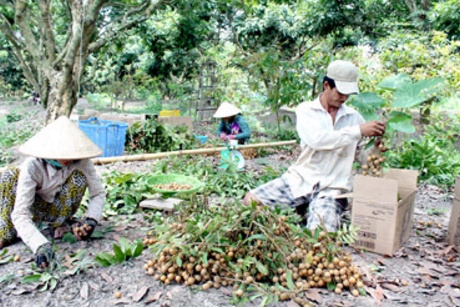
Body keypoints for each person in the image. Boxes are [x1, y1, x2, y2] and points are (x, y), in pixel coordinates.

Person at [243, 60, 386, 232]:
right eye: (340, 92)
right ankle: (301, 210)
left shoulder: (354, 117)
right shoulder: (306, 110)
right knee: (251, 200)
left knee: (319, 235)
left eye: (348, 94)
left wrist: (376, 148)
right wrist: (358, 131)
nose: (344, 98)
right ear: (327, 85)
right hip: (302, 179)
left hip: (333, 188)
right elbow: (317, 140)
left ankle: (312, 212)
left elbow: (365, 158)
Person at [0, 116, 105, 268]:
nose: (66, 159)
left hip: (58, 208)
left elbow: (98, 193)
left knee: (78, 178)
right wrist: (39, 244)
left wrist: (91, 219)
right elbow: (21, 213)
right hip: (34, 208)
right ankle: (6, 233)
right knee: (10, 175)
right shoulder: (33, 166)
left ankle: (59, 224)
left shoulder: (82, 162)